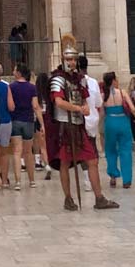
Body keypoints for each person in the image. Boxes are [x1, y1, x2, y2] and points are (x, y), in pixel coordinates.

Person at [50, 35, 118, 213]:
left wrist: (86, 108)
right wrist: (78, 108)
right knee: (65, 163)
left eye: (73, 59)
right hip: (65, 126)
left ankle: (99, 198)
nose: (71, 62)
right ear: (62, 60)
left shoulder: (80, 79)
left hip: (79, 127)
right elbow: (58, 102)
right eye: (68, 59)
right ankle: (68, 198)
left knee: (92, 161)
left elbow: (86, 98)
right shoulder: (57, 79)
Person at [101, 72, 135, 189]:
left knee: (110, 150)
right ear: (113, 80)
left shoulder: (104, 95)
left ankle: (113, 176)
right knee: (125, 150)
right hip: (123, 121)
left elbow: (102, 113)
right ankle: (127, 180)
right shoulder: (122, 92)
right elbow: (133, 108)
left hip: (110, 122)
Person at [9, 63, 41, 190]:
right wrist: (41, 123)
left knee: (17, 152)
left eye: (15, 70)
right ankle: (32, 180)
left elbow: (10, 105)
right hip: (28, 120)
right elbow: (36, 106)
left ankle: (17, 182)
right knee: (29, 152)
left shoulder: (11, 87)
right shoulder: (32, 88)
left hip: (15, 120)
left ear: (18, 73)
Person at [76, 54, 102, 192]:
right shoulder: (93, 82)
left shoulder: (75, 82)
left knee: (83, 150)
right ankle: (93, 177)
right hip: (92, 119)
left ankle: (87, 179)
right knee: (92, 148)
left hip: (80, 119)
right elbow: (98, 102)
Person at [0, 61, 14, 188]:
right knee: (5, 153)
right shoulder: (6, 86)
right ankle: (4, 179)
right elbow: (11, 106)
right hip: (5, 121)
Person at [35, 71, 56, 180]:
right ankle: (51, 162)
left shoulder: (36, 94)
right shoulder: (49, 93)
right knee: (49, 144)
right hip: (49, 118)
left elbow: (36, 108)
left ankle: (47, 164)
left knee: (42, 146)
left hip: (40, 120)